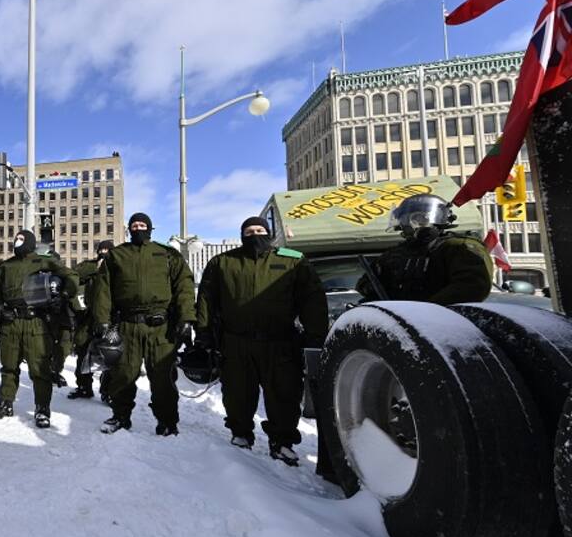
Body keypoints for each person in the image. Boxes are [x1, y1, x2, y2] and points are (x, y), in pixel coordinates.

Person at [196, 216, 329, 466]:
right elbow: (206, 299)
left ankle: (282, 442)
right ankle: (241, 434)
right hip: (236, 342)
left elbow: (312, 298)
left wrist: (315, 333)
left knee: (284, 394)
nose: (254, 234)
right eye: (248, 231)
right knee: (237, 393)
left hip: (280, 342)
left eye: (259, 230)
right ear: (241, 235)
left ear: (269, 233)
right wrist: (203, 332)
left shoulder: (292, 260)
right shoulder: (223, 262)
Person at [93, 213, 195, 436]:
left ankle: (167, 421)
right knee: (123, 374)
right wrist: (102, 321)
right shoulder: (117, 255)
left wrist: (186, 318)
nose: (138, 228)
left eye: (143, 225)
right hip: (127, 325)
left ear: (150, 228)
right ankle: (120, 416)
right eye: (134, 225)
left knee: (163, 377)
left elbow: (184, 287)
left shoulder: (167, 254)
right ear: (129, 229)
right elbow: (103, 291)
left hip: (161, 328)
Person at [0, 229, 78, 428]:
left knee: (40, 370)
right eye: (16, 238)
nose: (17, 241)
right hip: (10, 323)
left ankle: (42, 409)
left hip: (36, 323)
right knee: (9, 367)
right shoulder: (6, 266)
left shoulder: (43, 261)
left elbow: (70, 276)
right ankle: (5, 402)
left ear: (29, 242)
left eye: (21, 239)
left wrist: (62, 294)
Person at [356, 193, 493, 304]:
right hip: (398, 322)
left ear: (436, 218)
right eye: (405, 220)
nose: (410, 225)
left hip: (444, 325)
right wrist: (370, 287)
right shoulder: (395, 253)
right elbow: (364, 284)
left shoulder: (458, 247)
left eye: (418, 219)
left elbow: (472, 287)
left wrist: (427, 310)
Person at [68, 240, 114, 400]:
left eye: (107, 250)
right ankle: (83, 386)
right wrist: (98, 267)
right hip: (88, 317)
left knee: (111, 353)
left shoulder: (118, 268)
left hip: (111, 319)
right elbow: (75, 273)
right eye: (101, 249)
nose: (103, 252)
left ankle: (108, 390)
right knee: (82, 349)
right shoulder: (90, 266)